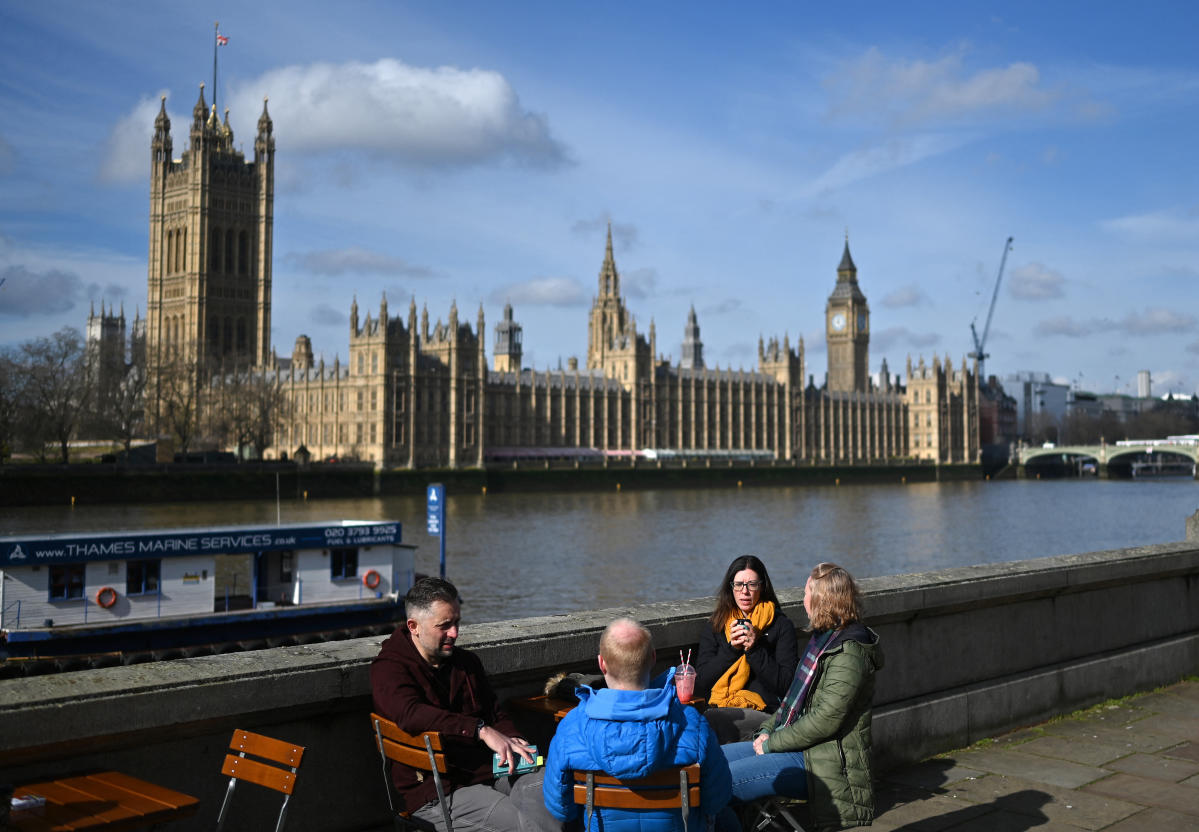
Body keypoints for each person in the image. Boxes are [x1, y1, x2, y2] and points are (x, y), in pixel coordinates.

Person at [372, 577, 563, 832]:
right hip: (438, 792)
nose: (455, 633)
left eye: (457, 622)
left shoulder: (466, 662)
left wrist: (514, 741)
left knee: (553, 790)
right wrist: (480, 729)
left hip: (488, 770)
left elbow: (495, 712)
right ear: (414, 626)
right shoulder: (389, 669)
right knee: (525, 826)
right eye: (445, 625)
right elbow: (410, 714)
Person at [718, 563, 883, 832]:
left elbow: (825, 720)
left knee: (714, 784)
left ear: (822, 600)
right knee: (712, 761)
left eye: (806, 592)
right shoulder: (824, 640)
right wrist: (767, 731)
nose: (802, 599)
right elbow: (792, 702)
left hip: (822, 762)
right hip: (797, 744)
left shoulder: (848, 652)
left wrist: (772, 744)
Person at [543, 618, 733, 832]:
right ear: (653, 659)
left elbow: (561, 809)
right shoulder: (691, 722)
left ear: (601, 663)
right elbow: (717, 800)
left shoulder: (572, 725)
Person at [696, 555, 799, 744]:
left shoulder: (780, 625)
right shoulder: (716, 625)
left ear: (762, 586)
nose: (745, 592)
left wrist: (754, 649)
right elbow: (701, 682)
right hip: (720, 705)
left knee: (713, 722)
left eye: (752, 584)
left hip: (765, 713)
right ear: (731, 587)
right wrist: (731, 650)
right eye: (739, 584)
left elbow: (787, 685)